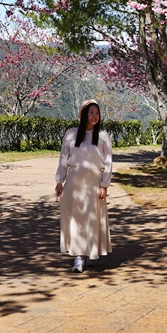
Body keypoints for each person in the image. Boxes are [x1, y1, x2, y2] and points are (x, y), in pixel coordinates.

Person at [55, 99, 112, 273]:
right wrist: (59, 180)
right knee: (76, 218)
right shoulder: (71, 134)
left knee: (92, 218)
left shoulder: (103, 136)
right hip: (74, 181)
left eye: (97, 113)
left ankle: (91, 252)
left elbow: (108, 163)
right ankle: (78, 257)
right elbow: (64, 158)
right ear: (83, 114)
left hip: (94, 182)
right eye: (91, 112)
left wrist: (104, 185)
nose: (95, 116)